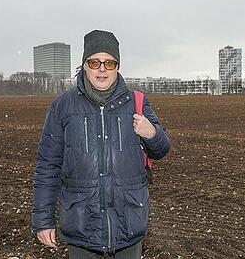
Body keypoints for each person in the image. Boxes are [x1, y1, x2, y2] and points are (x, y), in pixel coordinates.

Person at [31, 30, 170, 258]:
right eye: (95, 62)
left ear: (117, 66)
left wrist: (151, 133)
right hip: (81, 223)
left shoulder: (137, 103)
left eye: (110, 62)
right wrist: (43, 220)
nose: (102, 69)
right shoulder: (63, 106)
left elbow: (162, 150)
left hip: (128, 222)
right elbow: (48, 166)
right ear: (85, 65)